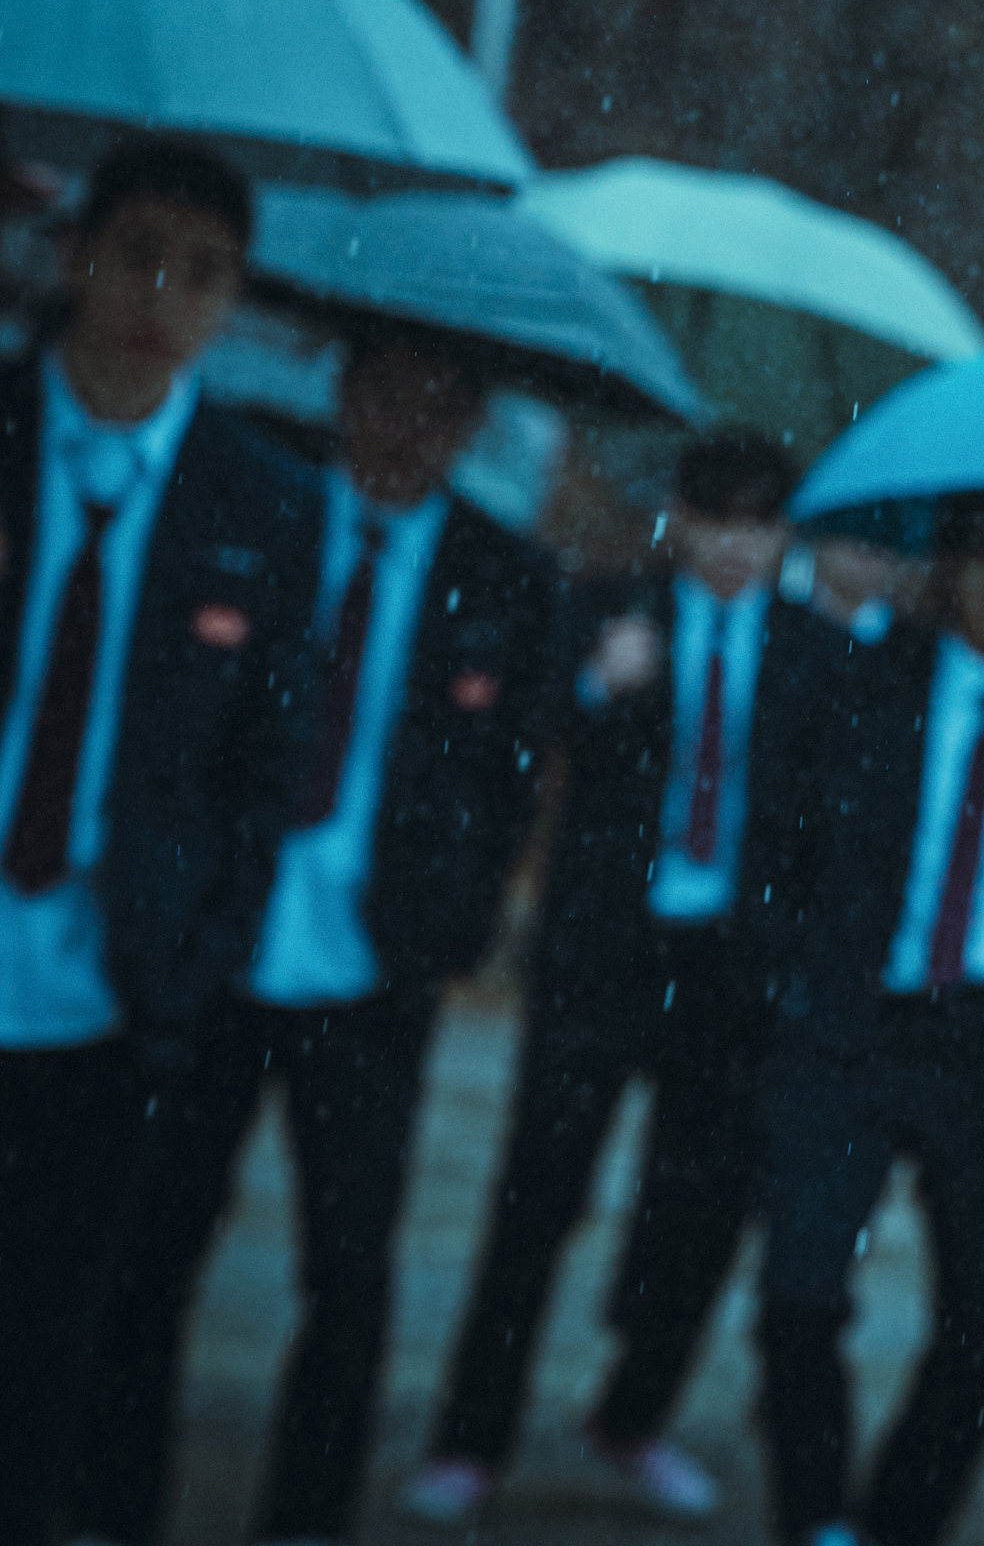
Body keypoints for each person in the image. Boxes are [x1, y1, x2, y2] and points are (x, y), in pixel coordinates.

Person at [72, 322, 560, 1546]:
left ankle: (305, 1513)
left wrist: (446, 926)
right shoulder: (259, 513)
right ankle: (110, 1497)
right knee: (155, 1239)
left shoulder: (504, 575)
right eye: (386, 393)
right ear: (343, 390)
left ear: (470, 426)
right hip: (220, 944)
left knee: (348, 1264)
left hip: (370, 969)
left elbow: (509, 776)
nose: (405, 428)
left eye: (438, 406)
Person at [401, 431, 821, 1526]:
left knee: (700, 1211)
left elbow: (828, 815)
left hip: (732, 967)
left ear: (785, 534)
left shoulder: (814, 651)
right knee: (538, 1194)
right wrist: (597, 684)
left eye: (759, 522)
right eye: (717, 517)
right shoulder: (605, 608)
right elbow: (519, 735)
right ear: (680, 516)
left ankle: (633, 1416)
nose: (735, 545)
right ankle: (471, 1437)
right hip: (604, 952)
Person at [0, 136, 321, 1546]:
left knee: (51, 1341)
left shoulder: (264, 502)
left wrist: (191, 974)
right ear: (76, 253)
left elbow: (260, 777)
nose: (163, 298)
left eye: (204, 274)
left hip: (107, 997)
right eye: (138, 255)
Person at [744, 491, 984, 1546]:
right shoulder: (868, 684)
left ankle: (900, 1523)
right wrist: (792, 982)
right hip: (858, 1025)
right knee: (798, 1290)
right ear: (952, 565)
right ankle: (816, 1518)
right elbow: (782, 839)